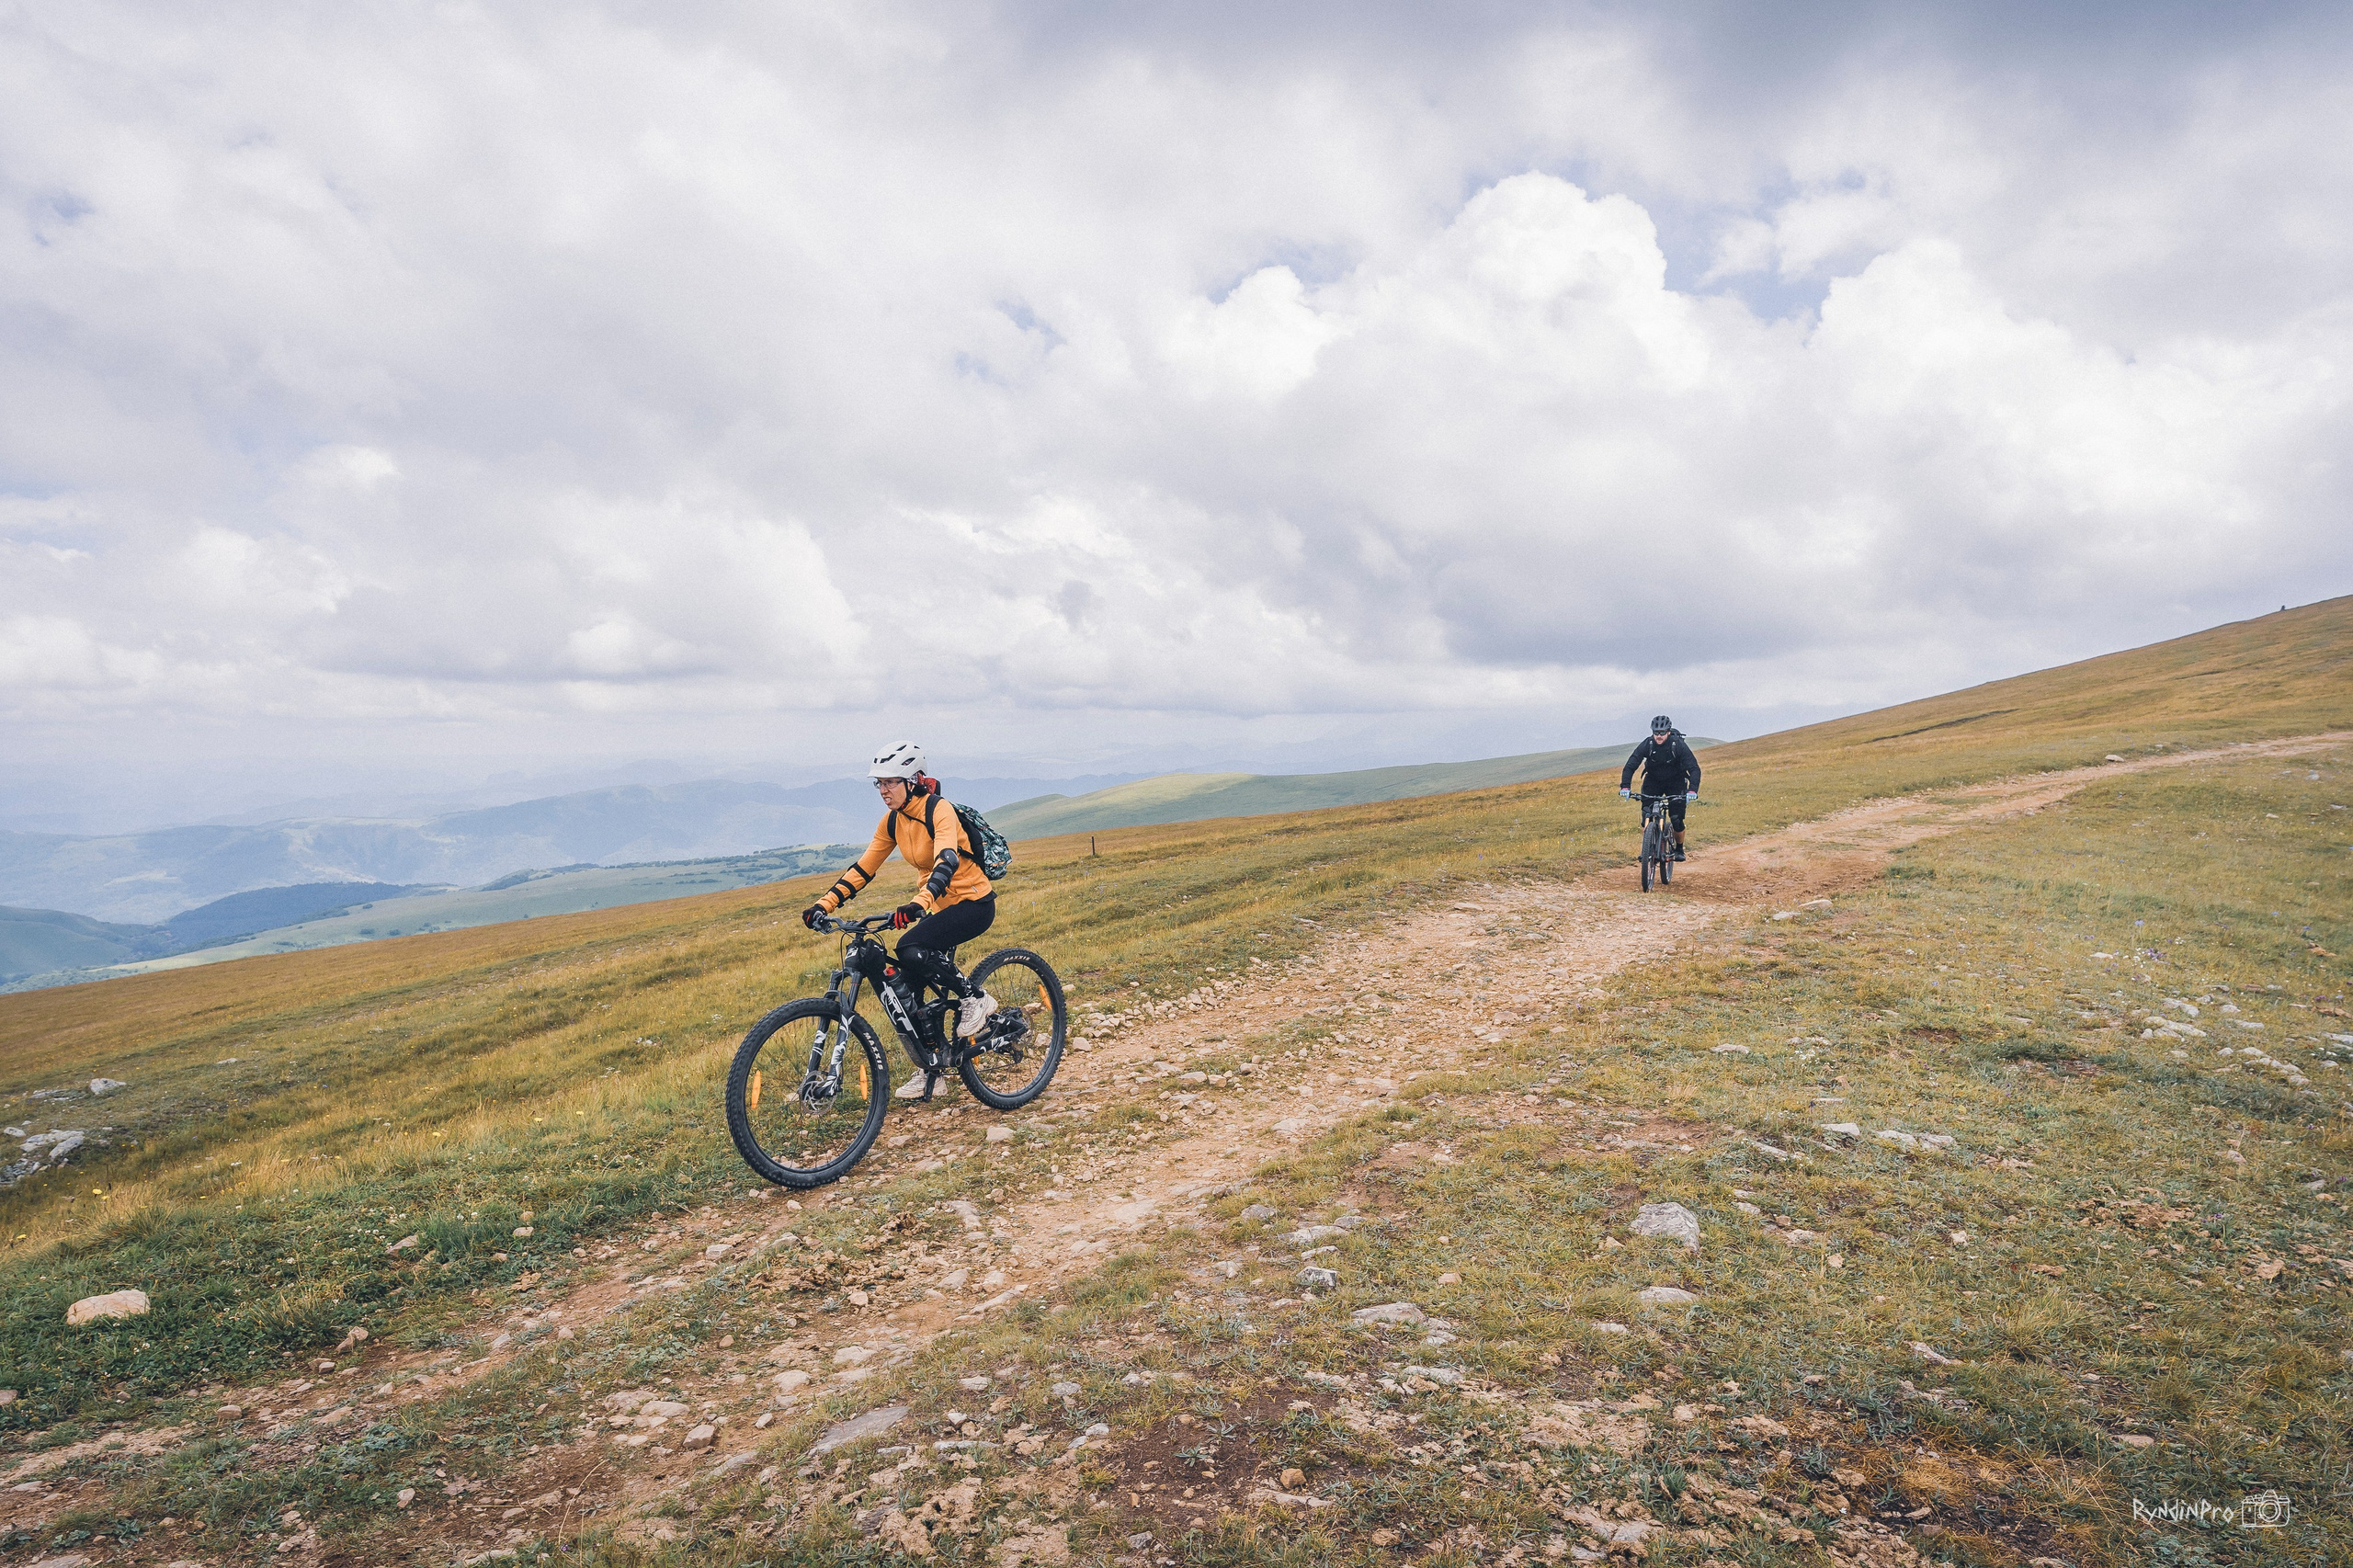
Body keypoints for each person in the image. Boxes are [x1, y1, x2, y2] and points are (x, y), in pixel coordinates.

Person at [804, 742, 997, 1099]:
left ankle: (976, 998)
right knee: (908, 983)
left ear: (913, 780)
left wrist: (919, 903)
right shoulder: (893, 821)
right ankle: (932, 1070)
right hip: (940, 906)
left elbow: (947, 861)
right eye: (878, 783)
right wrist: (824, 904)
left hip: (973, 902)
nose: (883, 791)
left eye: (890, 782)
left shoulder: (939, 811)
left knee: (911, 946)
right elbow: (864, 868)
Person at [1619, 715, 1701, 860]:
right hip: (1653, 781)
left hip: (1676, 782)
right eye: (1656, 732)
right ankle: (1647, 849)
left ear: (1668, 732)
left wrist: (1692, 790)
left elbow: (1694, 769)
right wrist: (1625, 786)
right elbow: (1631, 765)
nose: (1659, 736)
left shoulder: (1677, 745)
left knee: (1676, 818)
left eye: (1662, 732)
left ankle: (1679, 849)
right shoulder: (1648, 744)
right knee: (1646, 815)